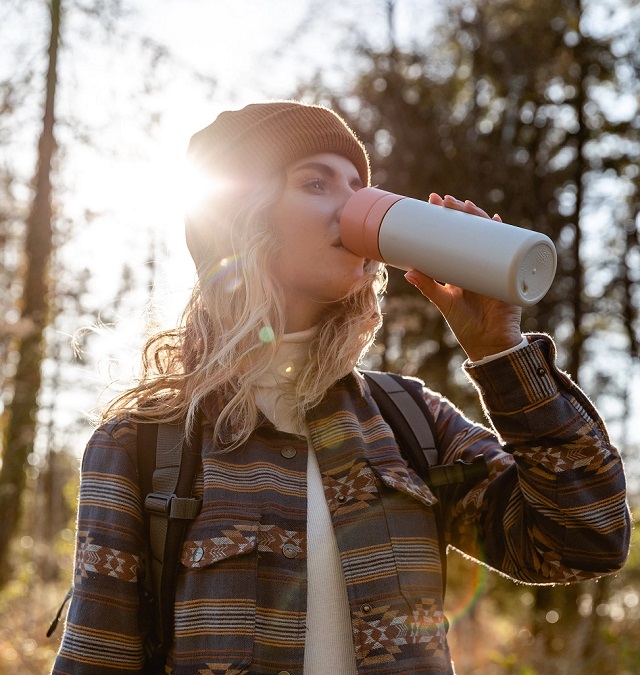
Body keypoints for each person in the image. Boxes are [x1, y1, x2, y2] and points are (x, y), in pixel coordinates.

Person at [52, 100, 630, 675]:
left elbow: (584, 539)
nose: (353, 206)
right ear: (240, 216)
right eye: (317, 182)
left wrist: (499, 352)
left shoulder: (410, 423)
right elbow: (96, 661)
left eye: (358, 185)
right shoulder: (141, 445)